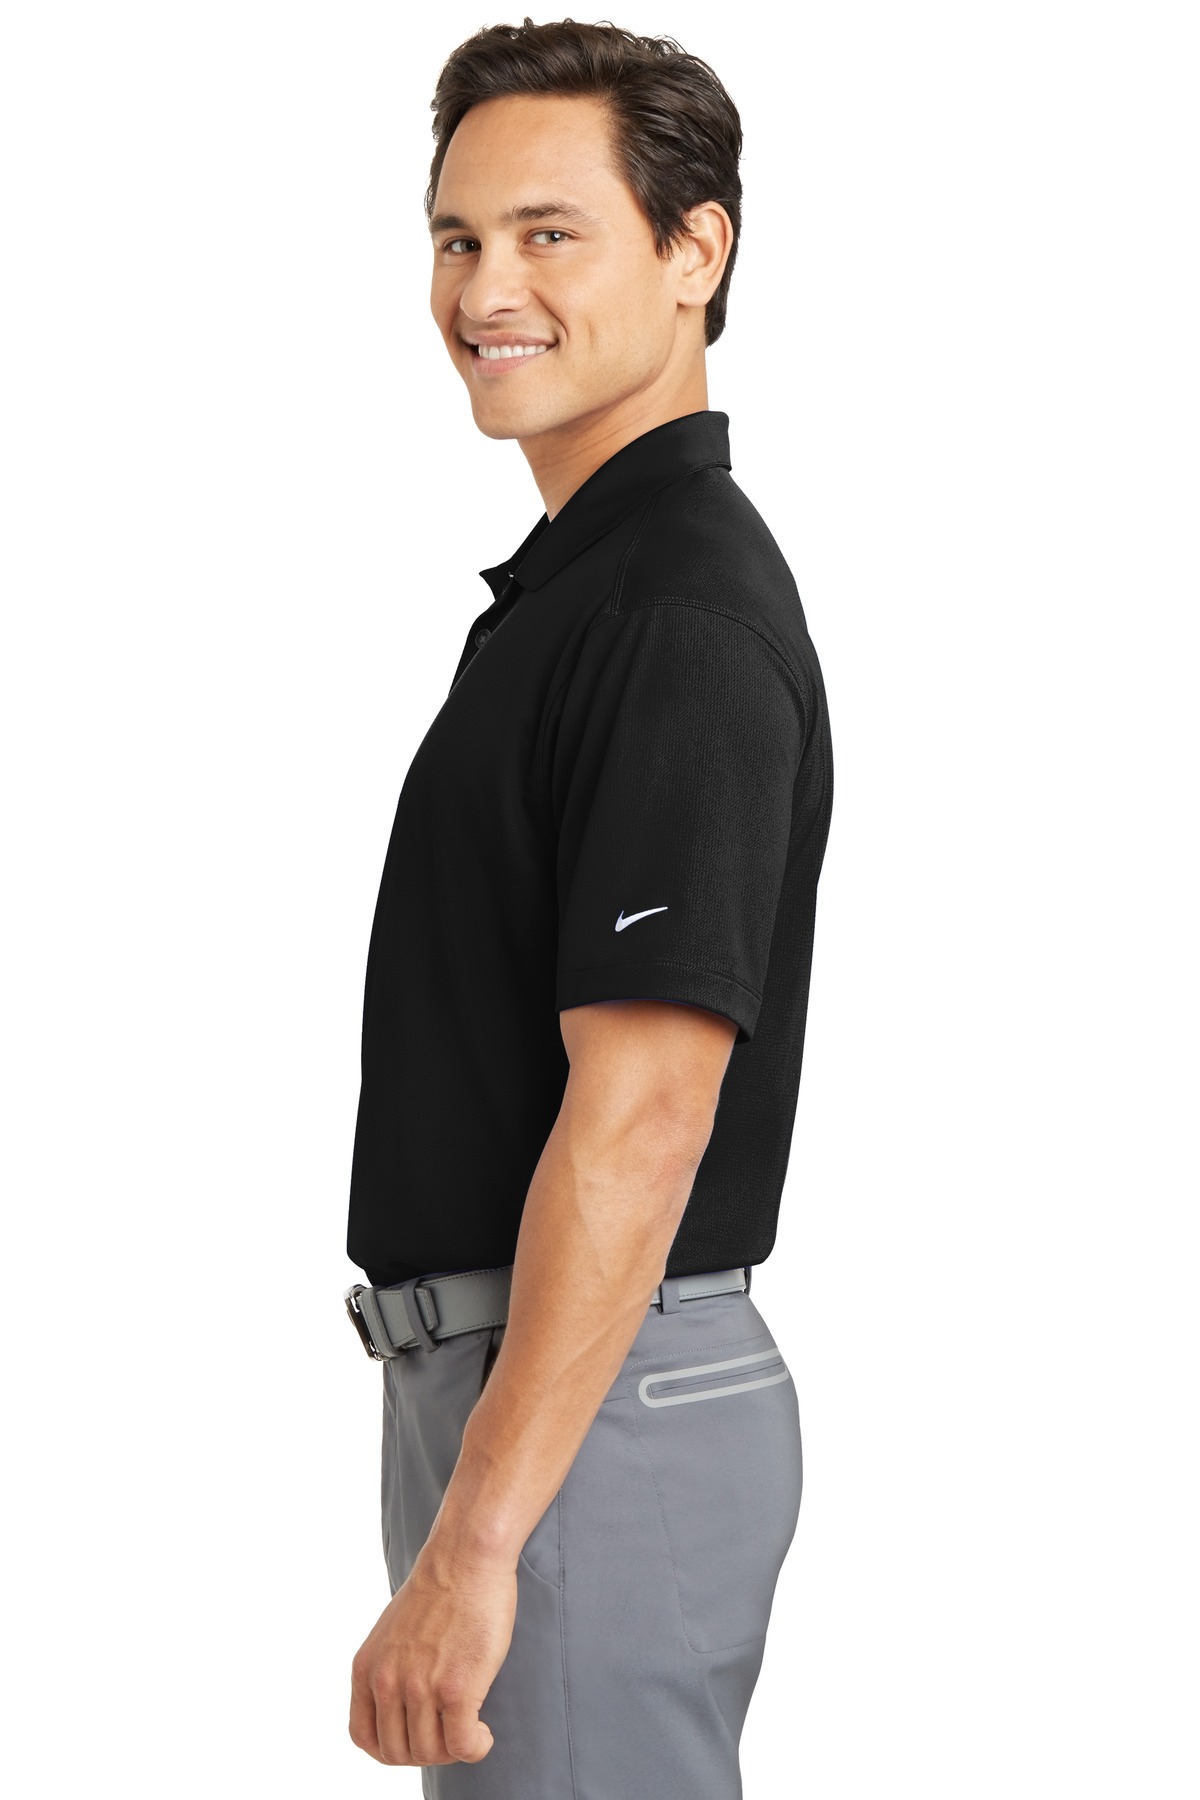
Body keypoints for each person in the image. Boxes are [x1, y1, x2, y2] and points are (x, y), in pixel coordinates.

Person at [343, 19, 834, 1796]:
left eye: (551, 233)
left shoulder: (671, 618)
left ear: (696, 251)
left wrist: (477, 1542)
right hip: (551, 1391)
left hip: (591, 1399)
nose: (488, 289)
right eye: (459, 237)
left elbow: (644, 1118)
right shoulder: (585, 593)